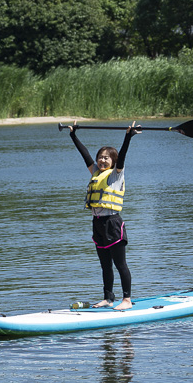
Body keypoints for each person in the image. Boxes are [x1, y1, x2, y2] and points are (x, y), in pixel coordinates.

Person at [62, 121, 142, 310]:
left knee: (120, 264)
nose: (102, 160)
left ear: (113, 162)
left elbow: (122, 156)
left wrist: (127, 137)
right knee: (105, 265)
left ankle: (127, 300)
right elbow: (85, 156)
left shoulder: (116, 174)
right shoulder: (96, 173)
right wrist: (73, 135)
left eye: (106, 158)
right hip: (97, 224)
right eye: (100, 157)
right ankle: (108, 298)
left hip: (113, 223)